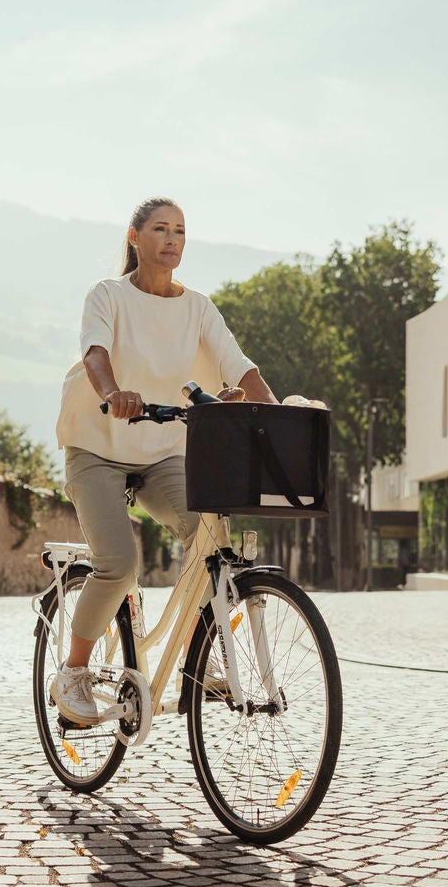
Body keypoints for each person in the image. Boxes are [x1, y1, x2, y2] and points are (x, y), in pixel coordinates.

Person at [48, 197, 278, 727]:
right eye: (160, 229)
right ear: (134, 238)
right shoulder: (107, 296)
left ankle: (205, 655)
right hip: (97, 447)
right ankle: (74, 672)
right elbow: (95, 352)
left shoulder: (196, 306)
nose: (171, 239)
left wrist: (273, 412)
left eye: (179, 230)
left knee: (207, 536)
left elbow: (238, 365)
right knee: (120, 563)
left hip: (160, 452)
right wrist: (112, 392)